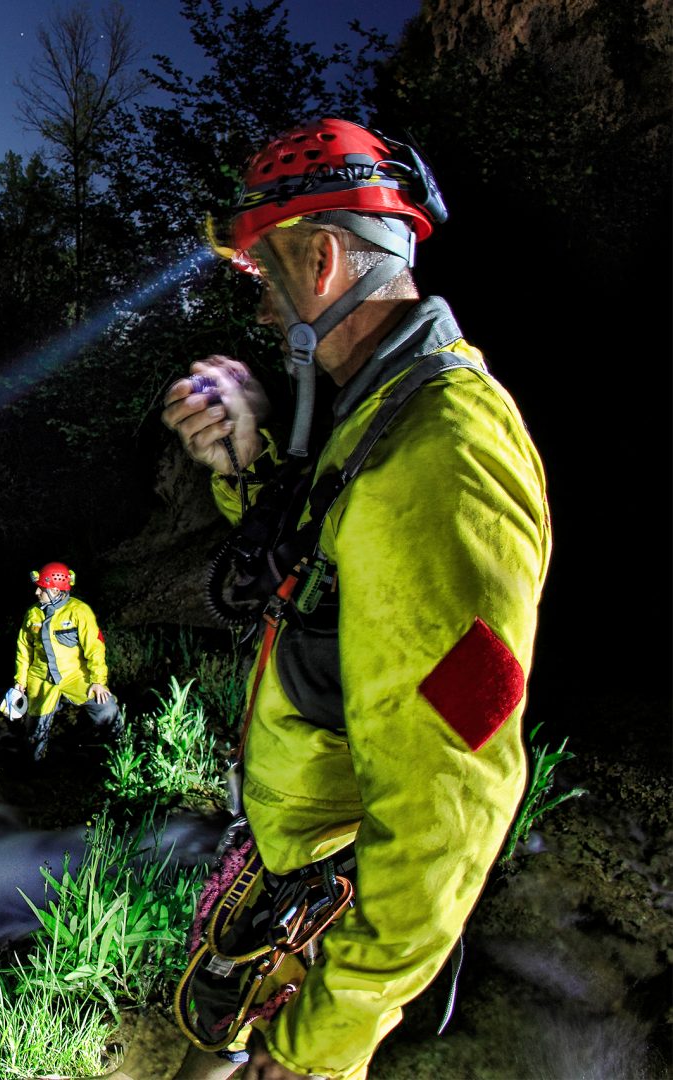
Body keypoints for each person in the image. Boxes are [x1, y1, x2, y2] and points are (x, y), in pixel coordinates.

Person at [161, 118, 550, 1080]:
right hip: (293, 863)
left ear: (322, 259)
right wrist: (243, 468)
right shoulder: (380, 412)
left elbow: (452, 795)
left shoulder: (443, 453)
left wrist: (323, 1042)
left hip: (332, 902)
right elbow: (318, 577)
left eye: (263, 275)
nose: (261, 310)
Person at [11, 561, 120, 760]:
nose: (37, 592)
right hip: (41, 679)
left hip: (74, 675)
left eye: (42, 589)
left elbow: (95, 648)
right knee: (35, 732)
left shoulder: (79, 611)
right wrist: (20, 682)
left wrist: (98, 681)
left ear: (55, 591)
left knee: (107, 708)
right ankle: (35, 767)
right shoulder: (32, 614)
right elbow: (24, 649)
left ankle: (118, 752)